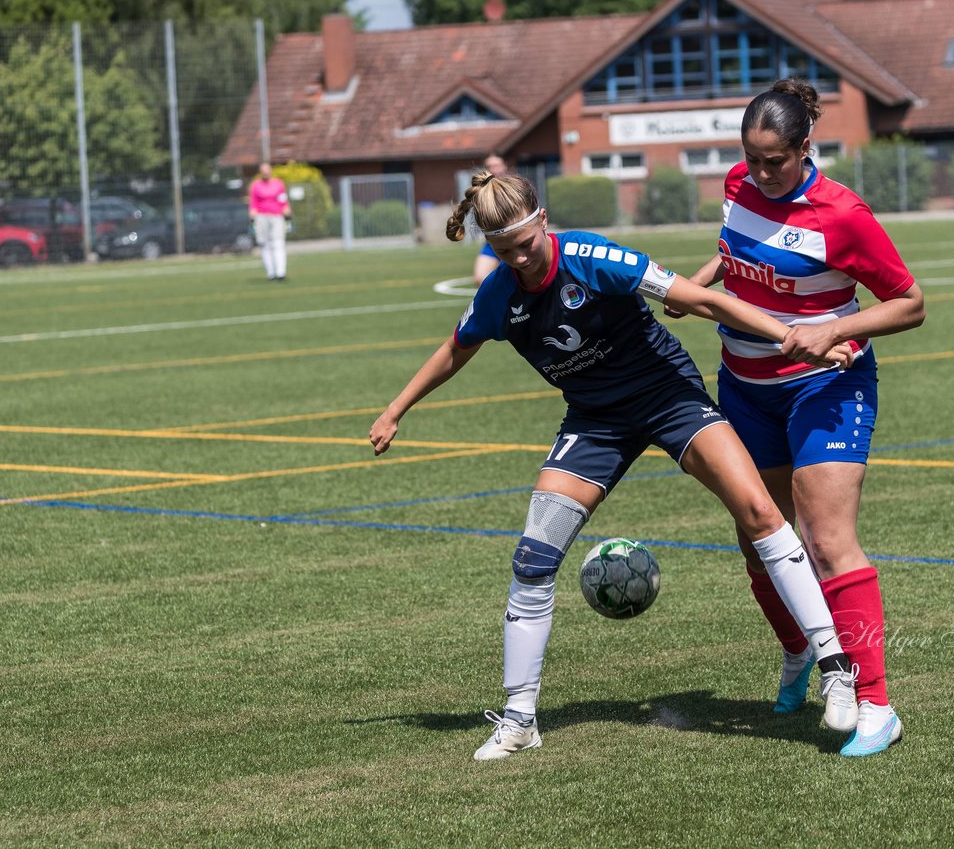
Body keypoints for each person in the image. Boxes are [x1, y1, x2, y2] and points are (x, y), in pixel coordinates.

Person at [369, 171, 861, 761]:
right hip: (594, 421)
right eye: (505, 251)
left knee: (759, 511)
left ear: (543, 220)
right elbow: (458, 347)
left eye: (526, 243)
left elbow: (699, 299)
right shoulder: (500, 292)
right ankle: (521, 717)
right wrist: (396, 409)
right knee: (533, 557)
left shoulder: (595, 257)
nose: (520, 258)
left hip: (669, 398)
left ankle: (835, 665)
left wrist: (794, 336)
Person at [680, 78, 925, 757]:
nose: (760, 173)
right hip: (744, 387)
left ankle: (875, 703)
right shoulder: (737, 185)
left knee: (824, 539)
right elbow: (738, 252)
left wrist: (836, 327)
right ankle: (799, 652)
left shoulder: (842, 213)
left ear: (805, 147)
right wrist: (698, 286)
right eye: (751, 158)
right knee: (759, 537)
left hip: (825, 387)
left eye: (774, 161)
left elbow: (910, 302)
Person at [249, 162, 292, 281]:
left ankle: (280, 273)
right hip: (262, 217)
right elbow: (253, 202)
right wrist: (252, 212)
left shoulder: (278, 184)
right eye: (263, 170)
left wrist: (286, 208)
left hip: (276, 216)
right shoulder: (256, 186)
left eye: (267, 169)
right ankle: (271, 273)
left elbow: (283, 199)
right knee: (265, 244)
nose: (265, 172)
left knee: (278, 243)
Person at [471, 154, 509, 287]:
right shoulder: (481, 192)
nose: (494, 170)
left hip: (514, 241)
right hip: (493, 243)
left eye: (496, 165)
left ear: (504, 167)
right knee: (480, 278)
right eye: (489, 167)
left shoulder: (515, 188)